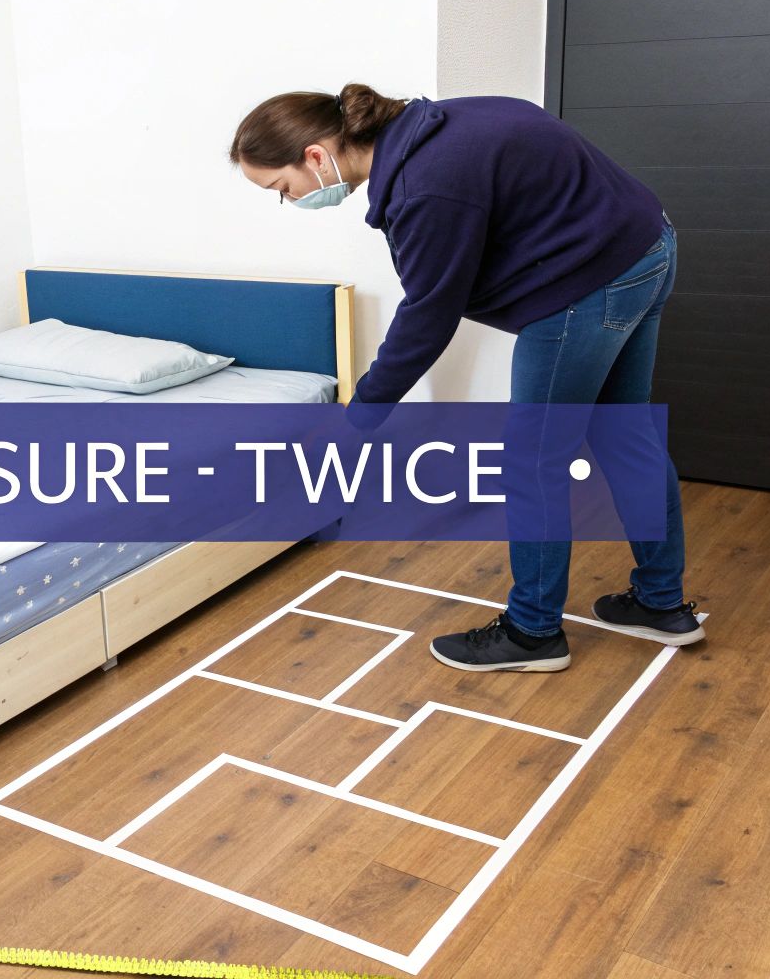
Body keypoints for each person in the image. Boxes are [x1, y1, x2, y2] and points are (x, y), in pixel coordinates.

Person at [228, 84, 705, 673]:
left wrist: (361, 415)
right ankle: (660, 604)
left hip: (589, 285)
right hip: (645, 247)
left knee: (533, 462)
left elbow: (427, 317)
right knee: (623, 433)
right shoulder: (441, 124)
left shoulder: (425, 185)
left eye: (281, 189)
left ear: (316, 156)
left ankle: (534, 634)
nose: (288, 201)